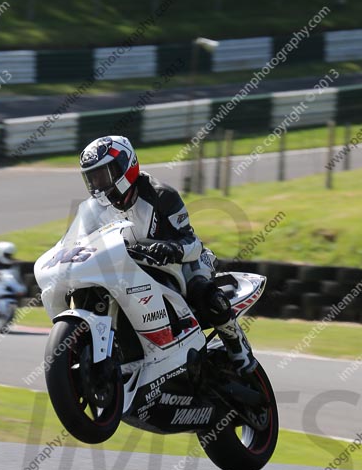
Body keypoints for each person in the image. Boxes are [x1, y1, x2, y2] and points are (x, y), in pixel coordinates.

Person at [78, 135, 258, 379]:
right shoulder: (94, 209)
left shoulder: (161, 195)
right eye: (93, 178)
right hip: (130, 268)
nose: (99, 185)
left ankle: (238, 348)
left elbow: (191, 241)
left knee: (204, 294)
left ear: (125, 166)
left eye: (103, 175)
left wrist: (170, 249)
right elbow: (83, 242)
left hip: (180, 263)